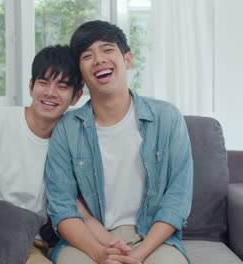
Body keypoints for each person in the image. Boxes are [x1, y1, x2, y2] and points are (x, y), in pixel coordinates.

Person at [45, 20, 193, 264]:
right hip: (88, 239)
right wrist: (99, 253)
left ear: (127, 59)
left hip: (152, 239)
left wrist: (139, 254)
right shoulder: (67, 129)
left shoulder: (167, 118)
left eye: (107, 49)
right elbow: (62, 207)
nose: (99, 59)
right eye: (87, 55)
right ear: (80, 74)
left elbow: (178, 198)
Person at [0, 44, 83, 264]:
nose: (50, 93)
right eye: (43, 82)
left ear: (76, 96)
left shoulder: (72, 143)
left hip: (26, 244)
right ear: (31, 87)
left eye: (62, 86)